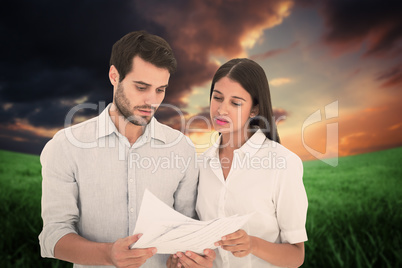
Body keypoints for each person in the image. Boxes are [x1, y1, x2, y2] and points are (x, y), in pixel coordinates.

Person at [39, 31, 214, 268]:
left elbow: (185, 229)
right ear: (114, 76)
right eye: (141, 87)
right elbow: (53, 236)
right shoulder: (66, 146)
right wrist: (108, 254)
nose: (152, 101)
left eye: (160, 90)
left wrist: (188, 259)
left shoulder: (181, 149)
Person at [196, 58, 308, 267]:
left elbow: (296, 255)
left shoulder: (283, 163)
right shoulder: (200, 165)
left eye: (235, 103)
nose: (221, 110)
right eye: (217, 98)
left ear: (254, 109)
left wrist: (253, 245)